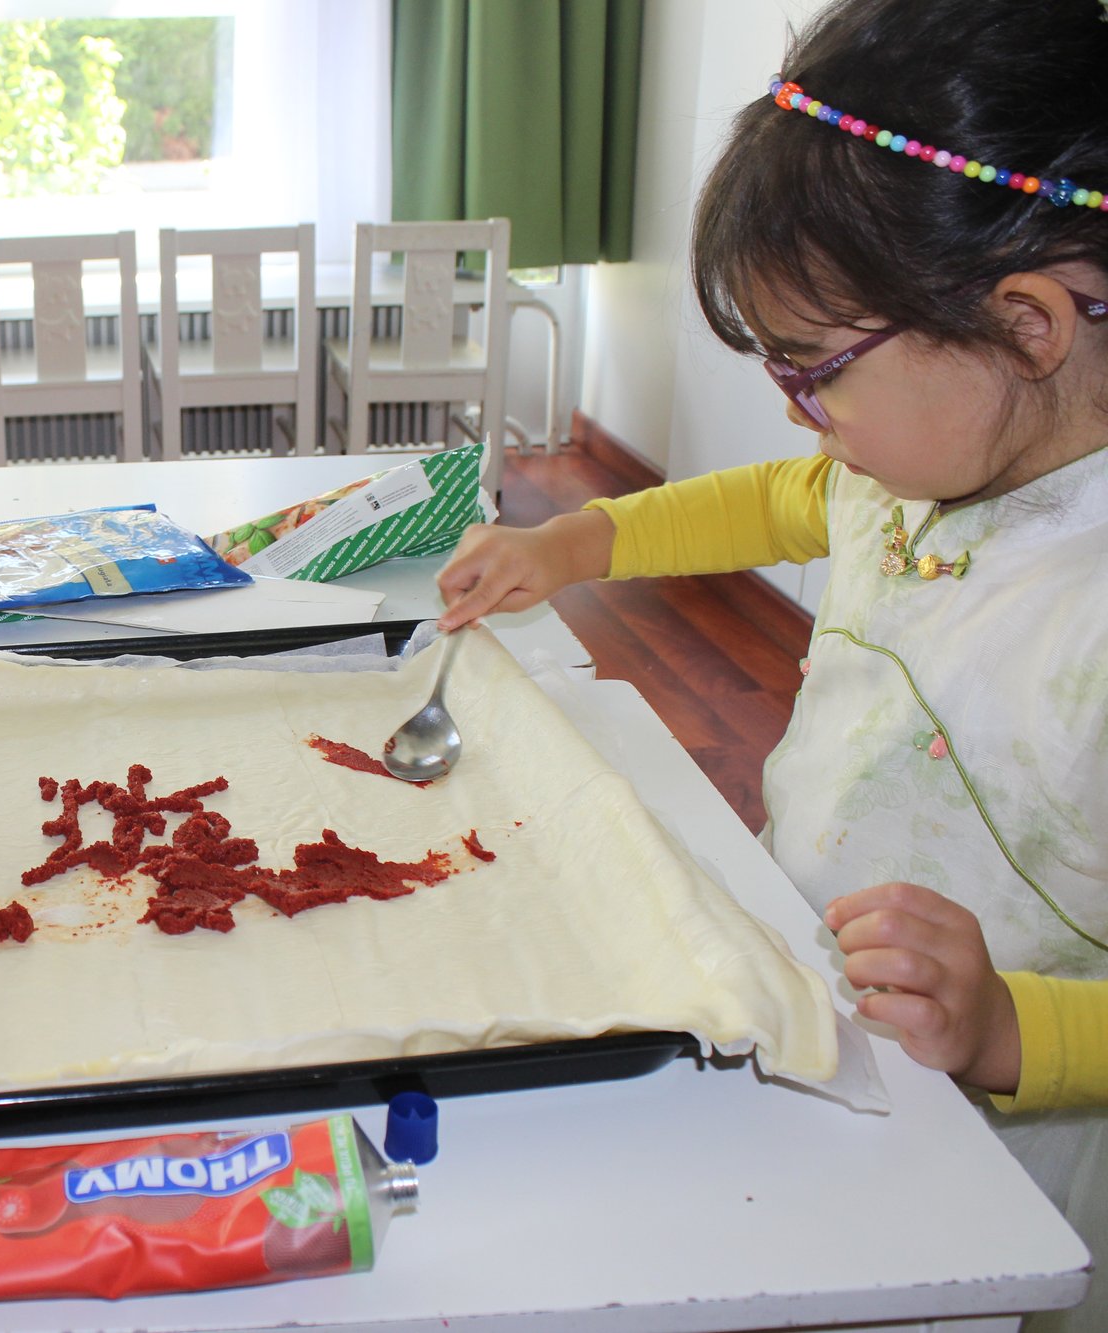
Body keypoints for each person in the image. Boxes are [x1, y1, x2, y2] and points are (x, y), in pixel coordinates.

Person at [440, 0, 1108, 1325]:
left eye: (818, 370)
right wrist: (583, 537)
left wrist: (1009, 1028)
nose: (796, 411)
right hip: (817, 988)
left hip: (1004, 1134)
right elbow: (777, 502)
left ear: (1027, 324)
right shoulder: (902, 467)